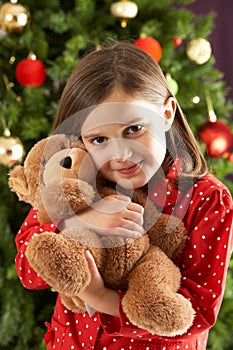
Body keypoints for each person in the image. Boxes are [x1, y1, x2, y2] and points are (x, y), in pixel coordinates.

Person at [15, 41, 233, 350]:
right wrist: (82, 221)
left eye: (134, 129)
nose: (120, 153)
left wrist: (99, 297)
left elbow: (197, 313)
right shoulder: (73, 178)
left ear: (167, 113)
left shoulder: (207, 199)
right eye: (100, 139)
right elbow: (28, 269)